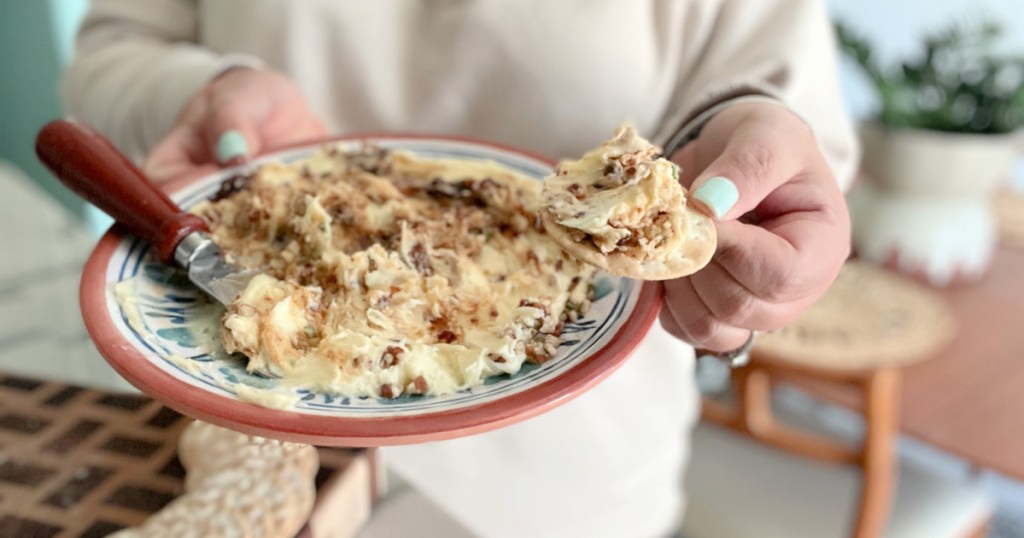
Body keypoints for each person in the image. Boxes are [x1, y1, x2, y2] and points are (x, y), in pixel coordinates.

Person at [62, 1, 856, 536]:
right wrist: (201, 91)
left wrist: (736, 166)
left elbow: (797, 125)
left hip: (560, 493)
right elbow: (106, 53)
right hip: (240, 450)